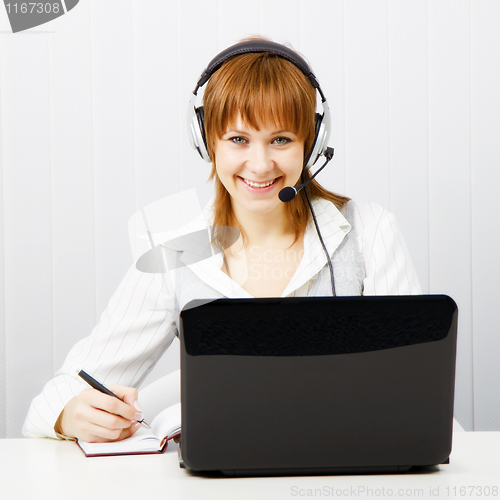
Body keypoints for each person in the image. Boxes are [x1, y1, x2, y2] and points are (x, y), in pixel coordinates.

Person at [23, 39, 421, 442]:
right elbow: (52, 400)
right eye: (238, 139)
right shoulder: (179, 253)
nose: (261, 164)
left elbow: (418, 385)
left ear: (311, 144)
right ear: (207, 142)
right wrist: (71, 415)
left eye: (281, 139)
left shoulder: (370, 230)